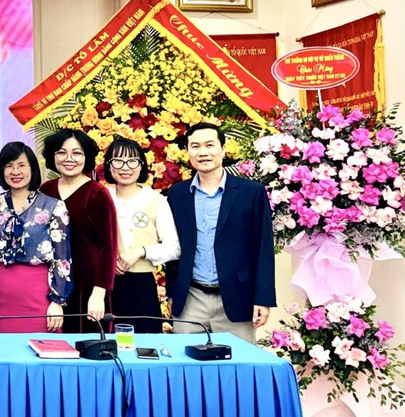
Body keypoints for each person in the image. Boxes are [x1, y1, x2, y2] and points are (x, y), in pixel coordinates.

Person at [166, 122, 275, 343]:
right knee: (186, 361)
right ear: (188, 152)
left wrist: (263, 298)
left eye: (210, 145)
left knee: (239, 362)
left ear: (223, 150)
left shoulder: (251, 192)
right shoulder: (177, 194)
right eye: (195, 146)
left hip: (237, 298)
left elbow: (263, 247)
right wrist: (171, 293)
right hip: (191, 299)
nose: (203, 152)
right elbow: (174, 246)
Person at [0, 141, 73, 333]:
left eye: (21, 165)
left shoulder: (54, 207)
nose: (15, 172)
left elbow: (62, 258)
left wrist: (57, 301)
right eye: (9, 166)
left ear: (32, 168)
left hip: (39, 296)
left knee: (41, 347)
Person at [101, 137, 180, 334]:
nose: (125, 167)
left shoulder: (156, 200)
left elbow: (174, 248)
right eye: (118, 161)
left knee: (144, 342)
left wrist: (141, 252)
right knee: (104, 341)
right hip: (104, 286)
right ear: (109, 165)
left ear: (142, 165)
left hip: (141, 286)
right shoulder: (101, 196)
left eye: (132, 161)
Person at [40, 129, 118, 322]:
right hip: (51, 283)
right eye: (62, 152)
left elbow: (108, 248)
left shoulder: (97, 194)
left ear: (86, 157)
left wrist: (98, 294)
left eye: (76, 153)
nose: (69, 159)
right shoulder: (46, 189)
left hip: (88, 284)